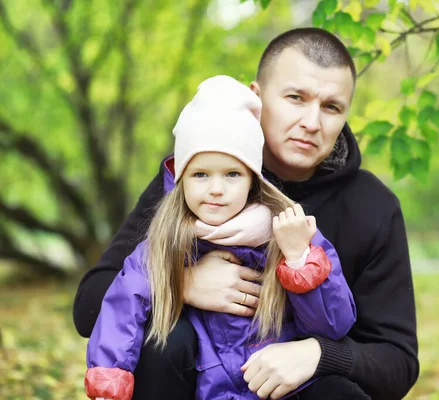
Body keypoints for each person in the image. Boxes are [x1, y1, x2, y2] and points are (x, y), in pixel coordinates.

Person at [74, 27, 419, 400]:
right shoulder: (195, 183)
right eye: (295, 98)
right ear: (256, 99)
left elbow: (397, 363)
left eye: (331, 107)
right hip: (198, 381)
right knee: (164, 341)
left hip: (300, 389)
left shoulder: (373, 207)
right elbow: (91, 305)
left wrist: (319, 355)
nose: (312, 122)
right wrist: (181, 284)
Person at [84, 75, 356, 400]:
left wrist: (300, 260)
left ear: (253, 181)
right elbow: (123, 305)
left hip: (280, 389)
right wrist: (111, 376)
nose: (216, 188)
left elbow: (333, 325)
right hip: (208, 390)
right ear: (181, 180)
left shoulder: (286, 232)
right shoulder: (165, 243)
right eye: (200, 174)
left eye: (232, 174)